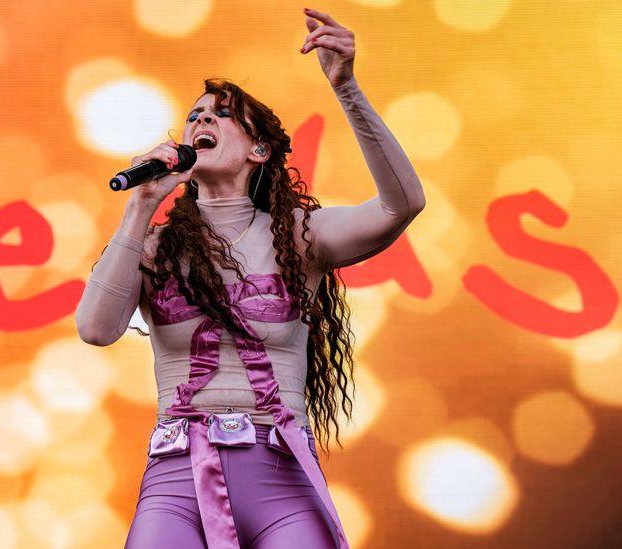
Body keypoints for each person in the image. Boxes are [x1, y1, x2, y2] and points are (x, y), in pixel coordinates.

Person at [76, 7, 425, 548]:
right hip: (175, 480)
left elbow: (401, 204)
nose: (201, 123)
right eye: (194, 116)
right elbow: (95, 330)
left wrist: (347, 88)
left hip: (280, 479)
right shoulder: (153, 247)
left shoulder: (300, 236)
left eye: (221, 114)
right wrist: (141, 206)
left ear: (260, 150)